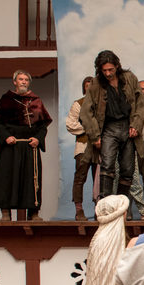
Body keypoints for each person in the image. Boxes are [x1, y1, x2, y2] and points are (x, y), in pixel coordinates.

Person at [79, 50, 144, 201]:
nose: (108, 73)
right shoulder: (96, 84)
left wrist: (136, 125)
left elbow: (141, 105)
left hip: (128, 127)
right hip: (108, 128)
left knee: (128, 170)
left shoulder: (129, 78)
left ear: (117, 65)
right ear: (100, 70)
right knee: (107, 166)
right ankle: (105, 204)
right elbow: (85, 112)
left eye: (111, 69)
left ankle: (121, 205)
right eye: (104, 70)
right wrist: (95, 135)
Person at [0, 70, 52, 221]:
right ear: (15, 82)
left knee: (31, 179)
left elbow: (43, 125)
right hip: (10, 147)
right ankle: (5, 213)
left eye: (26, 80)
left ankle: (34, 213)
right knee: (7, 178)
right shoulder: (6, 100)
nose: (23, 82)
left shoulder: (36, 101)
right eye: (20, 79)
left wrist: (38, 138)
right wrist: (5, 137)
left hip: (30, 147)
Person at [65, 76, 98, 221]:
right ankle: (79, 210)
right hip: (83, 146)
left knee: (100, 179)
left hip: (100, 147)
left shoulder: (102, 104)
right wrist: (89, 129)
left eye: (92, 85)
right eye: (87, 85)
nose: (89, 87)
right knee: (80, 178)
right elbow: (71, 124)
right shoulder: (78, 104)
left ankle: (100, 209)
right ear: (84, 87)